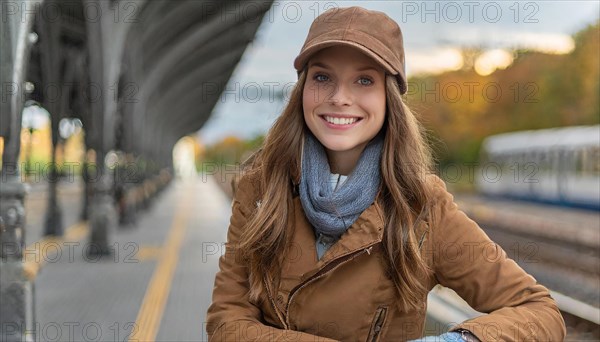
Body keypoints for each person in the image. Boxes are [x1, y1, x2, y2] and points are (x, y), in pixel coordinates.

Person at [206, 6, 566, 341]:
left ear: (388, 97)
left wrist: (456, 341)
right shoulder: (260, 189)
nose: (340, 97)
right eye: (322, 77)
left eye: (364, 81)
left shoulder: (422, 206)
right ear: (302, 90)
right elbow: (226, 320)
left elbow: (539, 311)